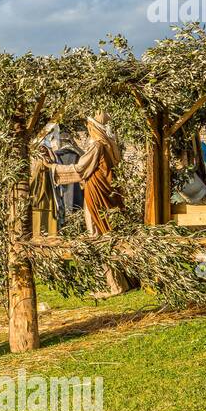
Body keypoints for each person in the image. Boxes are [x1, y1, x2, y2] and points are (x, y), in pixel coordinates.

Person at [49, 113, 134, 294]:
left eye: (89, 126)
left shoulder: (96, 145)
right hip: (109, 191)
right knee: (110, 232)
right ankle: (124, 281)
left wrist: (53, 169)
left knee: (99, 232)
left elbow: (81, 169)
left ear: (93, 127)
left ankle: (115, 285)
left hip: (96, 193)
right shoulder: (110, 144)